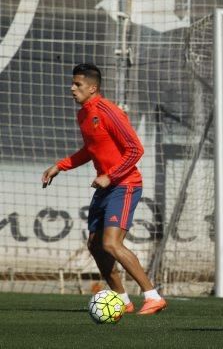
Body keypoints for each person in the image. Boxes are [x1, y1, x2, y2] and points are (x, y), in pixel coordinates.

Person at [42, 63, 167, 315]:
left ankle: (153, 296)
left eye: (77, 84)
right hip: (106, 185)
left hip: (125, 184)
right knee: (95, 245)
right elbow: (91, 150)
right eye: (72, 83)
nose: (72, 88)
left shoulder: (108, 111)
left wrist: (111, 176)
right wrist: (60, 166)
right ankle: (122, 300)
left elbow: (135, 149)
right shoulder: (84, 114)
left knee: (111, 243)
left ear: (92, 87)